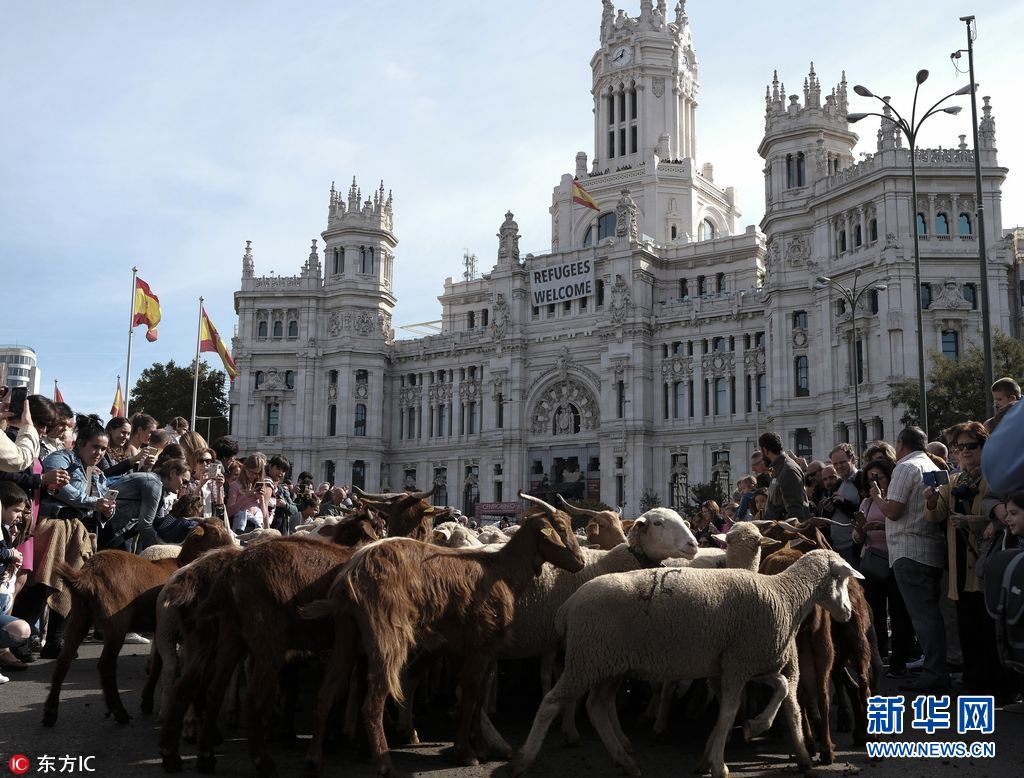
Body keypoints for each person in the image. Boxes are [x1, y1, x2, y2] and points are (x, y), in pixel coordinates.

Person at [924, 421, 1005, 697]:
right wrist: (932, 501)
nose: (965, 451)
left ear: (984, 447)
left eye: (971, 446)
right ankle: (973, 683)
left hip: (985, 561)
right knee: (967, 628)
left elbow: (1002, 518)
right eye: (959, 447)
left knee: (989, 629)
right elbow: (935, 516)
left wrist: (968, 520)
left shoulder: (995, 478)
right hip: (959, 566)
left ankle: (996, 685)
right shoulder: (955, 480)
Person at [869, 426, 948, 693]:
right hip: (931, 550)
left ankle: (935, 673)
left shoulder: (905, 467)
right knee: (931, 615)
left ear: (901, 444)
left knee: (923, 618)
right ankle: (937, 668)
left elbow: (893, 510)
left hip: (908, 549)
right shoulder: (931, 465)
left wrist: (878, 498)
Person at [853, 459, 917, 678]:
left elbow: (898, 519)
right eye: (870, 477)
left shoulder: (892, 499)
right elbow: (857, 537)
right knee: (875, 613)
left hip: (895, 559)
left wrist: (883, 525)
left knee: (899, 613)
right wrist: (861, 530)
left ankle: (899, 659)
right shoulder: (866, 503)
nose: (874, 482)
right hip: (873, 563)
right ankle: (878, 657)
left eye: (878, 477)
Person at [0, 482, 33, 676]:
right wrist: (10, 553)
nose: (20, 515)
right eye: (16, 510)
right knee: (19, 629)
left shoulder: (5, 528)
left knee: (20, 629)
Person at [758, 432, 809, 521]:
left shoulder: (788, 470)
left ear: (765, 450)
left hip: (786, 532)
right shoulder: (779, 468)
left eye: (760, 451)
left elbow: (795, 513)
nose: (761, 456)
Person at [825, 443, 862, 567]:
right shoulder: (837, 484)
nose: (838, 466)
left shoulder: (862, 480)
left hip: (854, 548)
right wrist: (827, 509)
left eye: (842, 462)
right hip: (836, 547)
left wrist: (844, 503)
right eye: (835, 464)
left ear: (852, 459)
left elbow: (865, 514)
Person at [225, 453, 271, 533]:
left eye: (257, 474)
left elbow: (264, 515)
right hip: (241, 529)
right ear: (245, 468)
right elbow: (229, 512)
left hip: (257, 529)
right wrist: (246, 496)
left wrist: (261, 498)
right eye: (251, 472)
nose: (253, 476)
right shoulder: (235, 485)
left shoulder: (257, 485)